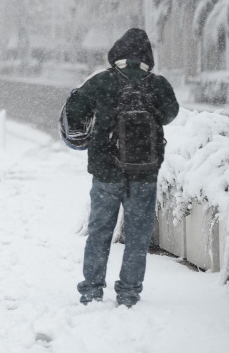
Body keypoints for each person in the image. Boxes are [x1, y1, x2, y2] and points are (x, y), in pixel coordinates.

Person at [64, 28, 180, 307]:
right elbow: (170, 114)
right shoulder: (158, 84)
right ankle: (128, 292)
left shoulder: (100, 82)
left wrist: (99, 127)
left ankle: (91, 289)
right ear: (147, 57)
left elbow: (73, 114)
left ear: (116, 54)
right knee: (138, 237)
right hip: (145, 173)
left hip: (106, 173)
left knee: (100, 233)